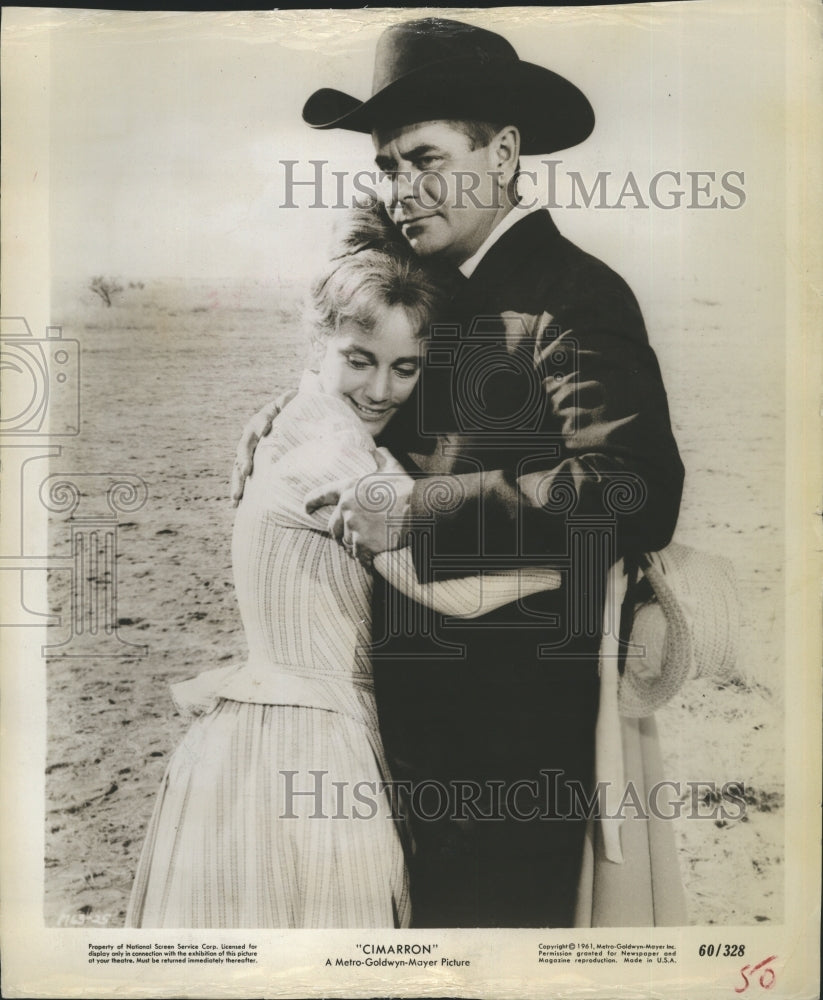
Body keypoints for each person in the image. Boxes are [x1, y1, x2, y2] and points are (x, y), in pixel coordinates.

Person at [232, 17, 685, 927]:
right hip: (390, 720)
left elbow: (631, 487)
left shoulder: (572, 293)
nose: (404, 188)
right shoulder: (433, 283)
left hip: (503, 744)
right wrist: (293, 412)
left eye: (426, 159)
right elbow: (360, 362)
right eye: (389, 166)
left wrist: (421, 513)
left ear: (503, 149)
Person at [126, 202, 563, 928]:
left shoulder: (310, 427)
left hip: (264, 731)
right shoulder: (329, 457)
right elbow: (446, 596)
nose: (381, 390)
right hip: (305, 742)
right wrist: (573, 569)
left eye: (405, 369)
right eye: (359, 362)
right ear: (316, 344)